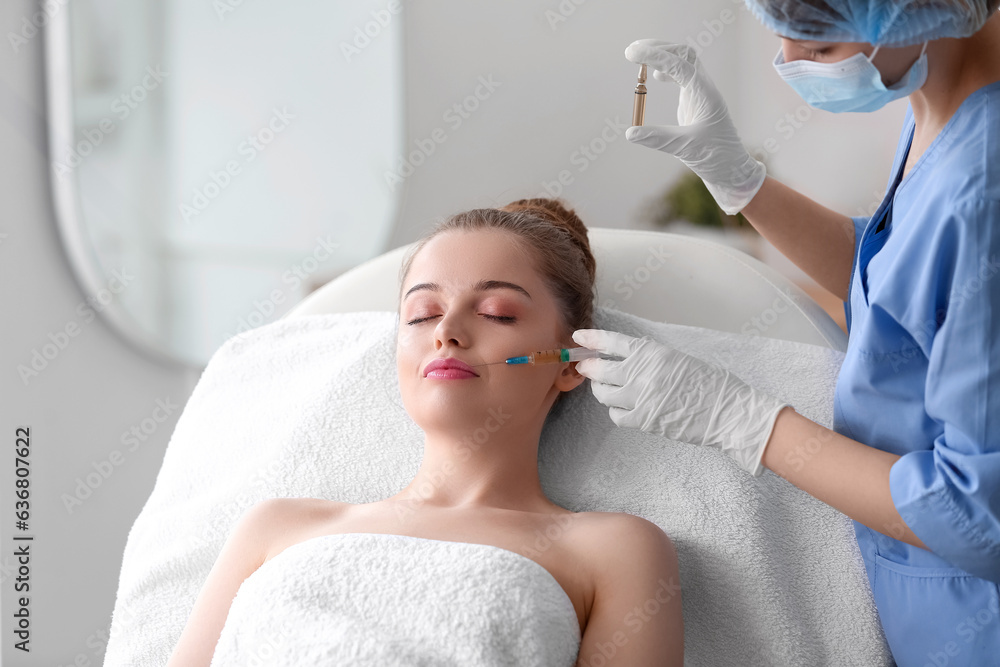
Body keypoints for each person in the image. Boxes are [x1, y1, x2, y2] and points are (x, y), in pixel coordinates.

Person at [572, 2, 1000, 665]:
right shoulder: (940, 98)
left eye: (821, 46)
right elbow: (900, 282)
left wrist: (745, 422)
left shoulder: (984, 189)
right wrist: (742, 184)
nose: (788, 62)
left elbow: (979, 515)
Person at [165, 198, 684, 666]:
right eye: (422, 314)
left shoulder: (613, 550)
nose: (446, 331)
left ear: (571, 362)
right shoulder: (274, 528)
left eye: (497, 313)